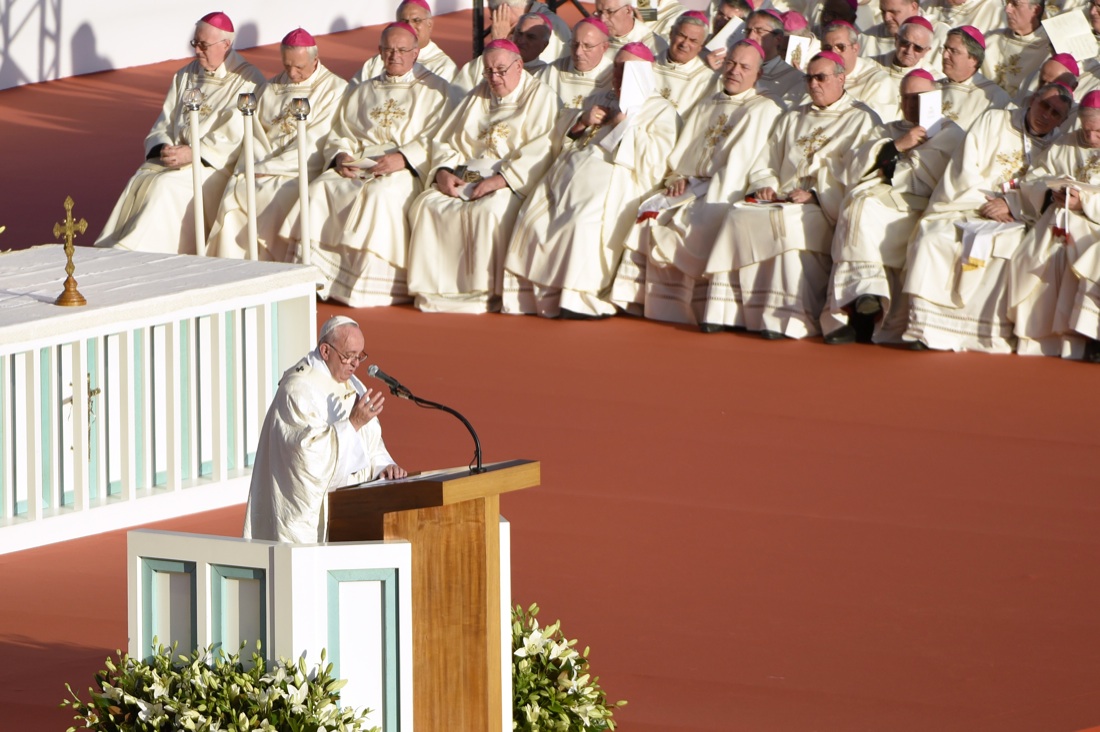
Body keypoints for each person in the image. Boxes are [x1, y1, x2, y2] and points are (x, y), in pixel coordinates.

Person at [703, 51, 882, 337]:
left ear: (841, 78)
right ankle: (727, 310)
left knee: (787, 226)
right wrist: (768, 184)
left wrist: (816, 195)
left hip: (823, 204)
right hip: (782, 197)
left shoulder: (861, 119)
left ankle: (786, 319)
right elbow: (767, 160)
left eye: (821, 78)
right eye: (809, 78)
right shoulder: (793, 116)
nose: (813, 84)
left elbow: (861, 174)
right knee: (739, 214)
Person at [283, 23, 458, 308]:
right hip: (362, 162)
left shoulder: (437, 90)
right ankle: (313, 277)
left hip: (404, 168)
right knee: (320, 188)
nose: (395, 56)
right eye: (388, 50)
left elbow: (442, 138)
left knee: (379, 196)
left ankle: (366, 287)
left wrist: (403, 158)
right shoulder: (363, 90)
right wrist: (341, 155)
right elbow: (342, 132)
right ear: (379, 52)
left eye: (402, 50)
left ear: (416, 52)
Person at [504, 43, 680, 318]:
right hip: (568, 174)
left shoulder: (661, 110)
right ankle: (538, 296)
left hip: (618, 179)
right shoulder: (600, 97)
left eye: (626, 69)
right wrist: (581, 120)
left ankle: (579, 299)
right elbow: (563, 136)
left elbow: (655, 161)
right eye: (616, 67)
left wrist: (625, 126)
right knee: (535, 215)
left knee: (581, 220)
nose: (618, 74)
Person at [615, 40, 783, 325]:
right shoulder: (709, 101)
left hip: (726, 188)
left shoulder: (763, 109)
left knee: (691, 218)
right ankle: (638, 299)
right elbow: (681, 152)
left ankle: (691, 308)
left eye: (744, 67)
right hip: (691, 184)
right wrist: (677, 176)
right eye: (731, 63)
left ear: (758, 74)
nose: (734, 71)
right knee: (649, 210)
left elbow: (756, 161)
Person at [903, 83, 1072, 352]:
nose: (1046, 115)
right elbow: (965, 168)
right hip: (968, 204)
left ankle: (984, 333)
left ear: (1062, 120)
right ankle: (924, 328)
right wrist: (987, 203)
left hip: (1016, 217)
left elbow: (1048, 186)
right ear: (1033, 100)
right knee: (935, 237)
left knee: (1007, 248)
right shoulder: (994, 119)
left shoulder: (1059, 146)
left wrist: (1010, 204)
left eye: (1055, 113)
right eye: (1044, 106)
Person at [406, 39, 562, 313]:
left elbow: (543, 148)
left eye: (501, 70)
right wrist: (443, 172)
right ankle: (434, 291)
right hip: (464, 176)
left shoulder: (541, 96)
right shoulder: (478, 95)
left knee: (490, 211)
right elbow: (447, 141)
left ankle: (482, 293)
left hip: (506, 180)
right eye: (488, 71)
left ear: (519, 65)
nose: (494, 78)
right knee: (427, 206)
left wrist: (501, 180)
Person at [95, 12, 264, 254]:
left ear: (226, 45)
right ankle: (114, 245)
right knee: (141, 178)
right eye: (195, 43)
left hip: (216, 167)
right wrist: (164, 146)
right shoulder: (185, 75)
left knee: (165, 184)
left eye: (203, 45)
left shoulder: (248, 81)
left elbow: (233, 138)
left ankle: (137, 251)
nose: (197, 51)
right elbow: (164, 121)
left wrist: (194, 153)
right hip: (180, 158)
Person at [822, 69, 965, 344]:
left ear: (936, 99)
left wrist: (891, 157)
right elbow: (855, 166)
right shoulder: (890, 129)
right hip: (882, 199)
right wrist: (898, 144)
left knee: (863, 207)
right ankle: (863, 300)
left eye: (920, 98)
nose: (912, 104)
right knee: (858, 204)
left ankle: (863, 305)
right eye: (906, 98)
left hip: (920, 205)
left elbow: (922, 177)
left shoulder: (950, 133)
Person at [242, 316, 406, 544]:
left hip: (352, 512)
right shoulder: (297, 390)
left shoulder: (353, 384)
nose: (355, 364)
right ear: (325, 351)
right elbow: (305, 456)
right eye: (348, 356)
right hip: (305, 521)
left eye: (360, 356)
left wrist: (383, 466)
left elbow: (371, 442)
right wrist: (353, 423)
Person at [207, 29, 347, 262]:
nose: (292, 73)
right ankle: (235, 265)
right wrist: (257, 165)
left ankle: (275, 263)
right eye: (287, 65)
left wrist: (271, 167)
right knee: (238, 187)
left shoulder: (334, 89)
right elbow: (254, 133)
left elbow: (316, 140)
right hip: (263, 166)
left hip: (297, 170)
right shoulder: (271, 87)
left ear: (315, 59)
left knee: (271, 194)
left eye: (299, 67)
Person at [1010, 90, 1100, 358]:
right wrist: (1052, 193)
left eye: (1099, 132)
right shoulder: (1066, 144)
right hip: (1057, 220)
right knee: (1046, 254)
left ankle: (1087, 336)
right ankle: (1046, 336)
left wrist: (1084, 203)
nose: (1091, 138)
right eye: (1086, 131)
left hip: (1094, 224)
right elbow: (1034, 177)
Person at [352, 0, 458, 84]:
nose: (410, 26)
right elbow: (353, 95)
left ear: (430, 24)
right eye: (403, 21)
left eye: (416, 20)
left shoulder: (443, 67)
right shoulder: (376, 63)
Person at [821, 20, 898, 122]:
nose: (833, 53)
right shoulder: (814, 77)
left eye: (840, 47)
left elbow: (873, 123)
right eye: (827, 48)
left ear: (855, 48)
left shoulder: (877, 82)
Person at [454, 12, 552, 93]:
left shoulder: (547, 76)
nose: (521, 41)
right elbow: (458, 94)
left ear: (544, 45)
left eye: (530, 37)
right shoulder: (483, 63)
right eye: (519, 33)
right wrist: (498, 49)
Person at [938, 26, 1011, 131]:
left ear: (974, 59)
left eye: (953, 51)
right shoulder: (932, 87)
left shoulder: (994, 97)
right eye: (945, 48)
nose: (945, 55)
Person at [536, 17, 615, 111]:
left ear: (604, 47)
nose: (578, 52)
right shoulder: (552, 72)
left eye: (587, 46)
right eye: (574, 44)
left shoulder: (615, 76)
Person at [652, 12, 718, 116]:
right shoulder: (648, 65)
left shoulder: (707, 79)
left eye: (693, 41)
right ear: (671, 34)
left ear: (701, 46)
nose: (685, 44)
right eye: (681, 36)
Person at [982, 0, 1049, 97]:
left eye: (1015, 4)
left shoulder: (1049, 49)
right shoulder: (991, 39)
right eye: (1007, 2)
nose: (1007, 9)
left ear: (1036, 10)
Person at [744, 9, 806, 108]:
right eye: (747, 31)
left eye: (759, 31)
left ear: (778, 39)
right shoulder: (733, 66)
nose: (750, 36)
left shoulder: (794, 78)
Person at [482, 0, 573, 62]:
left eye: (493, 17)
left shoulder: (544, 27)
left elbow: (514, 76)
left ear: (503, 10)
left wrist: (499, 42)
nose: (495, 24)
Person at [858, 0, 946, 61]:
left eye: (894, 12)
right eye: (883, 12)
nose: (886, 18)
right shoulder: (867, 37)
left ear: (913, 7)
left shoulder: (939, 34)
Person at [593, 0, 669, 58]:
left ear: (628, 10)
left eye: (610, 12)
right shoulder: (594, 39)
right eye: (599, 12)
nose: (603, 19)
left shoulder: (654, 47)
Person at [1013, 53, 1080, 107]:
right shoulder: (1022, 104)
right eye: (1042, 81)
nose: (1044, 88)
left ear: (1073, 87)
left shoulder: (1075, 116)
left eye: (1052, 85)